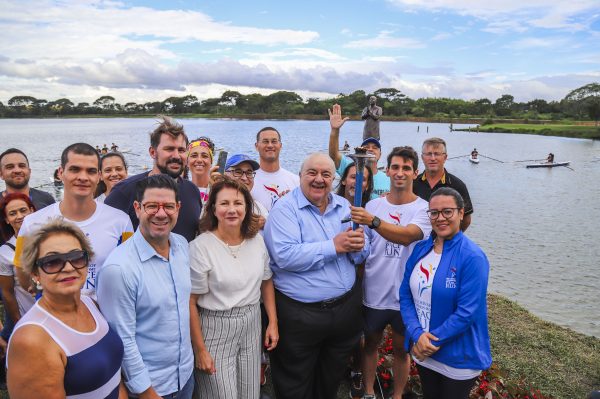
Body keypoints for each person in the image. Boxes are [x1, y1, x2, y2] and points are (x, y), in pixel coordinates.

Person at [264, 153, 370, 399]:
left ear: (334, 179)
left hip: (344, 309)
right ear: (300, 176)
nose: (319, 179)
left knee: (330, 376)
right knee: (294, 381)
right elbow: (284, 256)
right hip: (301, 314)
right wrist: (334, 246)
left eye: (326, 174)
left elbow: (361, 253)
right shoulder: (285, 210)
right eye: (312, 173)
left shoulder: (345, 206)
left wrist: (359, 245)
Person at [98, 175, 194, 399]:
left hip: (185, 375)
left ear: (178, 208)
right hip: (152, 386)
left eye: (168, 206)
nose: (161, 214)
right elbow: (123, 338)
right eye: (152, 206)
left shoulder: (181, 245)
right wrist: (145, 391)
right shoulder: (119, 269)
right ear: (137, 208)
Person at [7, 218, 124, 399]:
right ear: (35, 273)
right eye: (52, 261)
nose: (68, 267)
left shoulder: (90, 304)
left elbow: (113, 376)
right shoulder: (31, 340)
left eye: (76, 257)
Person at [350, 146, 432, 399]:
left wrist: (373, 221)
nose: (400, 173)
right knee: (370, 344)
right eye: (395, 167)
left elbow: (408, 236)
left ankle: (397, 395)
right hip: (374, 290)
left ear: (415, 173)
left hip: (406, 295)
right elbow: (363, 249)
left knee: (401, 350)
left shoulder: (424, 209)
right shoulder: (373, 204)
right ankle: (369, 392)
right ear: (387, 170)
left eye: (406, 168)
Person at [189, 178, 278, 398]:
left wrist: (273, 323)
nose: (232, 209)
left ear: (247, 208)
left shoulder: (257, 241)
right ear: (213, 209)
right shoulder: (201, 247)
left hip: (251, 322)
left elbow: (266, 282)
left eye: (238, 203)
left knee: (250, 392)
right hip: (215, 325)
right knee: (221, 394)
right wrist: (200, 349)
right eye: (224, 203)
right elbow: (190, 302)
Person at [400, 187, 492, 399]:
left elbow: (467, 312)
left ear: (461, 213)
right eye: (434, 212)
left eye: (447, 211)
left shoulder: (473, 257)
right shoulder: (421, 249)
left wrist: (430, 341)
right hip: (423, 350)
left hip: (456, 357)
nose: (440, 218)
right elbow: (405, 295)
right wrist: (417, 335)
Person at [14, 143, 133, 298]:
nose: (83, 177)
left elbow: (129, 270)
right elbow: (22, 271)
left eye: (90, 171)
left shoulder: (121, 221)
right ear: (61, 172)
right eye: (75, 169)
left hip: (104, 315)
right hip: (54, 316)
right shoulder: (32, 223)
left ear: (99, 176)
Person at [105, 116, 201, 242]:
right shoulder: (124, 191)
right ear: (152, 152)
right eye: (169, 149)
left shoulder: (192, 191)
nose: (176, 156)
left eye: (181, 150)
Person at [328, 104, 390, 198]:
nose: (370, 149)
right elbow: (333, 155)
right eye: (366, 146)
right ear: (360, 151)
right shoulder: (350, 169)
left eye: (375, 147)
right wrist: (335, 130)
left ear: (380, 154)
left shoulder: (388, 178)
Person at [413, 138, 473, 231]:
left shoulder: (457, 185)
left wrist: (449, 238)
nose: (433, 158)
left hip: (445, 242)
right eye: (428, 154)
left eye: (437, 154)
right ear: (422, 157)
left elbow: (466, 220)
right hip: (417, 241)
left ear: (445, 157)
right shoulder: (413, 183)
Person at [0, 194, 36, 349]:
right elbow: (7, 293)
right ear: (7, 220)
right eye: (13, 213)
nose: (19, 216)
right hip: (28, 317)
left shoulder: (49, 239)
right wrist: (18, 322)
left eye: (23, 210)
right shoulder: (4, 252)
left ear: (32, 211)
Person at [251, 127, 299, 212]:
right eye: (265, 141)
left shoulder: (296, 180)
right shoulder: (248, 180)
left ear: (280, 146)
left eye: (274, 141)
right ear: (256, 146)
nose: (270, 145)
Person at [0, 148, 55, 213]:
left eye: (22, 166)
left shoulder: (46, 199)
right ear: (1, 174)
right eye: (10, 167)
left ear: (29, 171)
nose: (17, 170)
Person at [224, 153, 269, 229]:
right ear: (225, 175)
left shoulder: (259, 208)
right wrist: (246, 226)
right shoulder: (216, 203)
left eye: (249, 173)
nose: (244, 178)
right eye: (238, 172)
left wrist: (266, 224)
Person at [187, 136, 215, 205]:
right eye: (194, 156)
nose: (199, 160)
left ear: (211, 162)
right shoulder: (181, 191)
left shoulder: (218, 190)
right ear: (187, 162)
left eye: (204, 156)